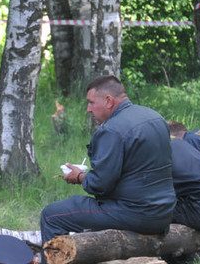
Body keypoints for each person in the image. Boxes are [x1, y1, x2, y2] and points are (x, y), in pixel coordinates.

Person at [40, 76, 176, 251]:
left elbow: (100, 185)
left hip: (136, 213)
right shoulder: (155, 117)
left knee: (52, 215)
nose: (88, 109)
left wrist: (80, 176)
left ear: (108, 101)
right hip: (164, 212)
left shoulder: (112, 130)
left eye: (91, 103)